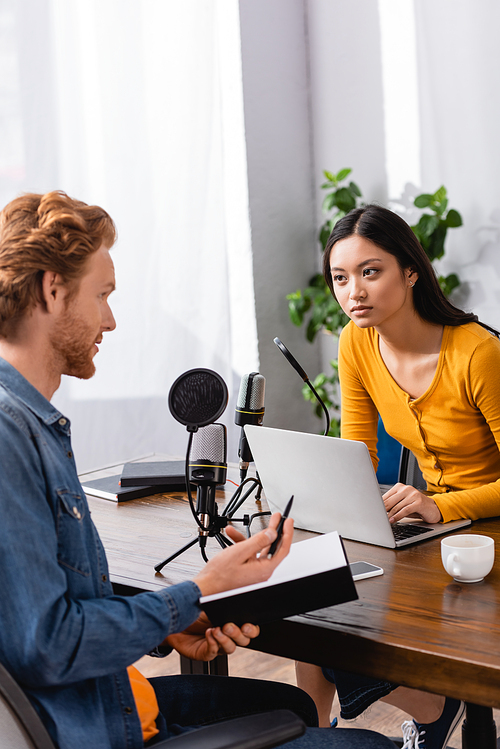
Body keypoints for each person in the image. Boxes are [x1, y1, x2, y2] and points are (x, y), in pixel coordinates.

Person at [0, 190, 396, 749]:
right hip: (94, 727)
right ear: (52, 288)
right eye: (103, 295)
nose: (110, 320)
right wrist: (194, 592)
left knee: (291, 703)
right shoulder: (9, 437)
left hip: (105, 697)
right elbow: (49, 644)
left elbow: (58, 605)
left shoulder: (32, 423)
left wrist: (174, 620)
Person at [297, 203, 500, 748]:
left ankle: (433, 706)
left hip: (484, 525)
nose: (353, 292)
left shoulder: (477, 353)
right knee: (314, 599)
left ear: (410, 271)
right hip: (431, 522)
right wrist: (329, 502)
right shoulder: (355, 343)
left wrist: (443, 506)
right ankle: (311, 735)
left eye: (370, 271)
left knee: (342, 620)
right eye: (340, 277)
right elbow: (357, 453)